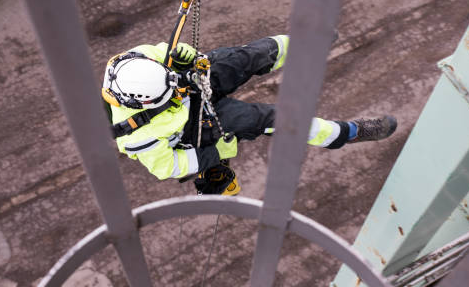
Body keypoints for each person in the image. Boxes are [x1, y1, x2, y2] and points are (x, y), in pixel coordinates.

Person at [101, 35, 397, 195]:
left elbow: (165, 51)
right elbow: (169, 168)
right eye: (168, 95)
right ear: (141, 103)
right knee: (274, 120)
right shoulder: (138, 138)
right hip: (198, 125)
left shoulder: (133, 61)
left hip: (190, 80)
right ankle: (347, 133)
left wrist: (184, 58)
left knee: (250, 55)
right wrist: (217, 151)